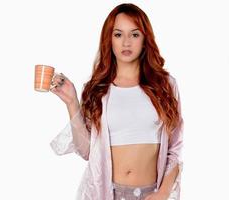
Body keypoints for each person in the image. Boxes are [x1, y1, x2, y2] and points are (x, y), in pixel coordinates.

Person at [49, 3, 184, 200]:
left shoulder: (165, 86)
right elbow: (88, 151)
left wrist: (163, 193)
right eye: (118, 34)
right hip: (109, 194)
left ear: (145, 40)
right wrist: (71, 103)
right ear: (109, 40)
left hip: (152, 196)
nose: (126, 42)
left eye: (135, 34)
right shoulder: (97, 89)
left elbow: (176, 149)